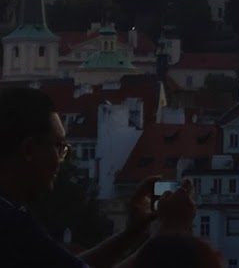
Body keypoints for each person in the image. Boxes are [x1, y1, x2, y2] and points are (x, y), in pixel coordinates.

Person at [0, 85, 196, 268]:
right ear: (28, 149)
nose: (61, 160)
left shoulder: (11, 218)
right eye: (58, 147)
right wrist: (171, 232)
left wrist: (132, 233)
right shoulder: (12, 226)